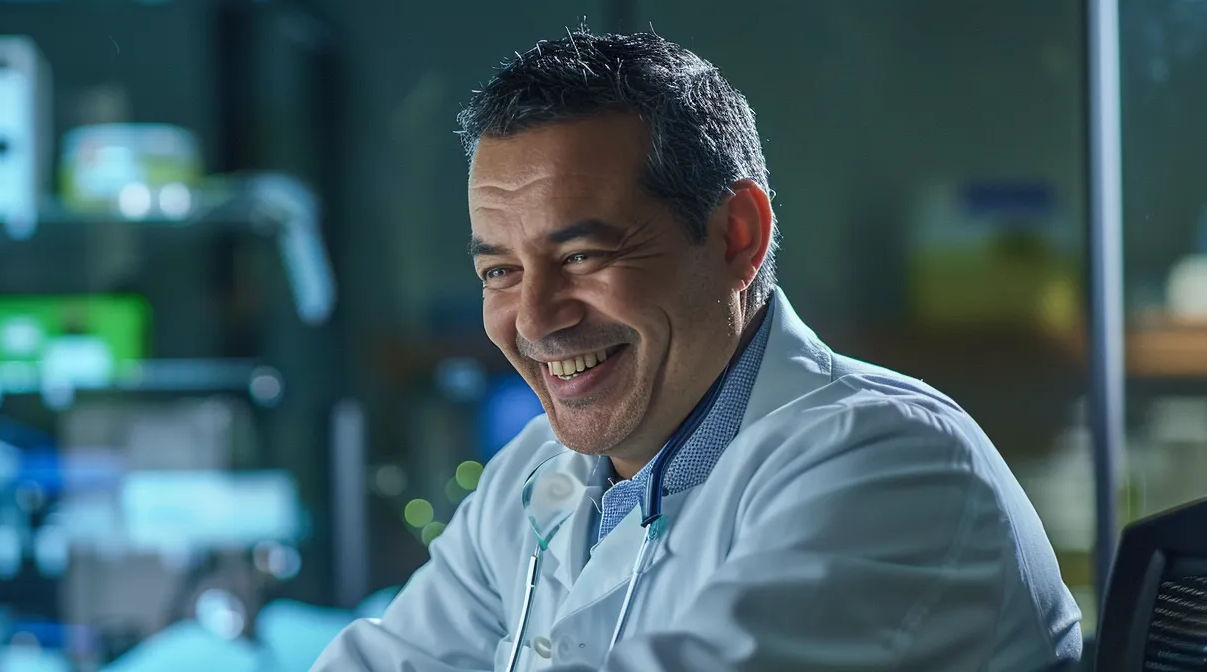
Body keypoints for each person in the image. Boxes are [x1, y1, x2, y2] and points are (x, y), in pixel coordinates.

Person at [312, 30, 1082, 671]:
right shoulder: (538, 476)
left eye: (583, 256)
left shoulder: (890, 463)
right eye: (500, 272)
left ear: (736, 236)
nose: (536, 319)